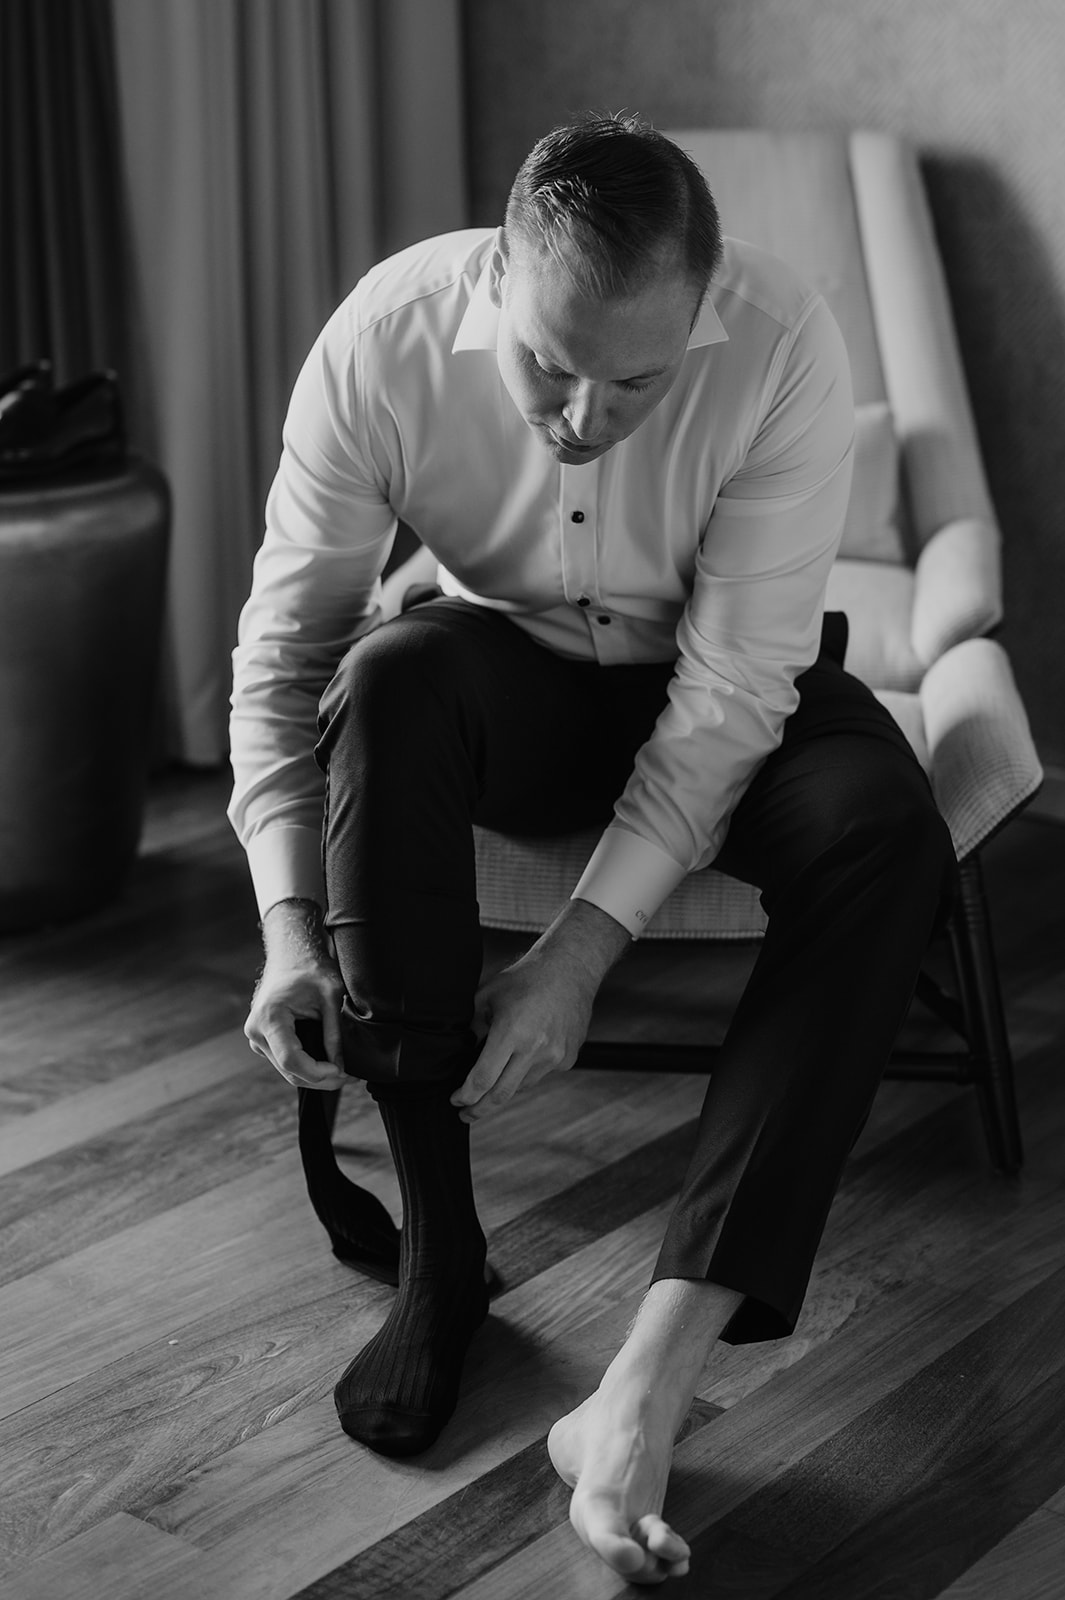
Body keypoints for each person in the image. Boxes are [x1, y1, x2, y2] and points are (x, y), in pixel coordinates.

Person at [231, 113, 955, 1585]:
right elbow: (285, 652)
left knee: (886, 833)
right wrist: (288, 927)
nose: (578, 415)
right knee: (383, 679)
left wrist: (578, 954)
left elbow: (729, 697)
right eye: (546, 368)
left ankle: (646, 1385)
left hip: (721, 680)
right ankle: (441, 1263)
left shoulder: (779, 342)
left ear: (695, 320)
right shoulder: (384, 337)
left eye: (633, 381)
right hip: (499, 667)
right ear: (498, 279)